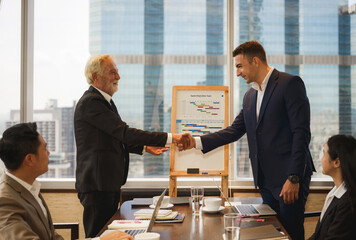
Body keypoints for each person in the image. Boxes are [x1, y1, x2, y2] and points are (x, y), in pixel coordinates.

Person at [181, 40, 315, 240]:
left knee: (291, 233)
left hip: (289, 179)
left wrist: (294, 177)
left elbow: (301, 133)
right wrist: (197, 142)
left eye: (239, 66)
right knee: (271, 233)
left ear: (255, 61)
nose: (237, 73)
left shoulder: (289, 84)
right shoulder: (250, 96)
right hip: (266, 181)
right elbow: (234, 131)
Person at [74, 54, 187, 237]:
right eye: (112, 72)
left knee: (110, 235)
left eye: (117, 72)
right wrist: (171, 137)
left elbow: (114, 138)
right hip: (97, 186)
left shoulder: (105, 102)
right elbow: (124, 132)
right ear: (96, 77)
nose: (118, 77)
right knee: (99, 235)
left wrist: (143, 148)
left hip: (106, 184)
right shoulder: (91, 102)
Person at [0, 122, 134, 240]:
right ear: (29, 159)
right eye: (44, 148)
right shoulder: (5, 200)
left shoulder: (29, 187)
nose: (48, 153)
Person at [308, 135, 356, 240]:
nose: (320, 158)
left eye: (323, 153)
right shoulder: (335, 192)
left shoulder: (349, 202)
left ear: (337, 162)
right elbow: (318, 236)